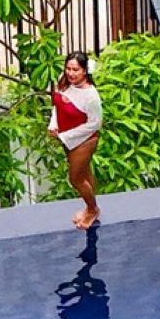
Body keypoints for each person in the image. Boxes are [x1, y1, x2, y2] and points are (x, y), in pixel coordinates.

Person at [50, 53, 104, 228]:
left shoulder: (91, 96)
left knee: (76, 179)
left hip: (84, 141)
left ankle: (92, 209)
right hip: (66, 138)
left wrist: (65, 136)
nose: (71, 73)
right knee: (84, 173)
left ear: (85, 71)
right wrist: (53, 125)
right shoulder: (64, 82)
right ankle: (89, 207)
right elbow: (56, 106)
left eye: (76, 70)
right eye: (68, 69)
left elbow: (95, 124)